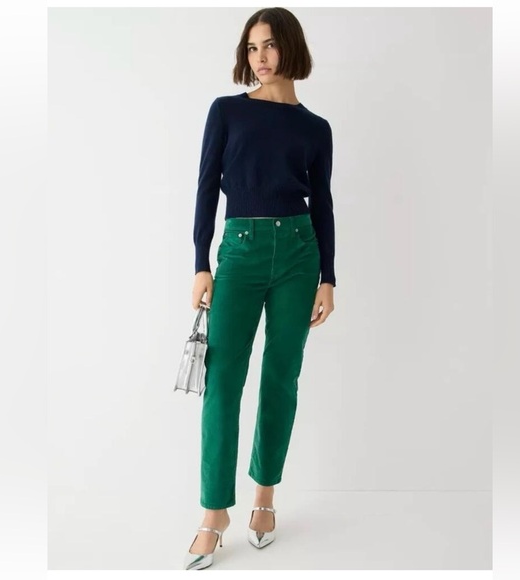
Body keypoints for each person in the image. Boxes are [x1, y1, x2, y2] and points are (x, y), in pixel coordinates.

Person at [184, 7, 336, 570]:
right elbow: (206, 188)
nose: (260, 57)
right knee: (223, 380)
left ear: (289, 47)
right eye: (252, 48)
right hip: (240, 252)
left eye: (269, 45)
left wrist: (329, 276)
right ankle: (214, 512)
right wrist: (201, 263)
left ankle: (265, 495)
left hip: (299, 253)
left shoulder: (316, 128)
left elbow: (322, 203)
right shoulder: (227, 111)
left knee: (281, 378)